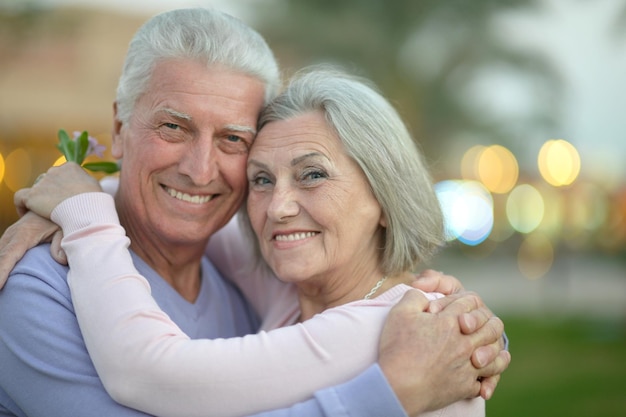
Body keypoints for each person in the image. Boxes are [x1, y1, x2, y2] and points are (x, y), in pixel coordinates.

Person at [0, 7, 509, 417]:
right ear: (120, 126)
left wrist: (85, 211)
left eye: (232, 139)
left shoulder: (403, 328)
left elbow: (150, 371)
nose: (201, 172)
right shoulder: (41, 290)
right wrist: (75, 200)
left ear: (384, 195)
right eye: (173, 128)